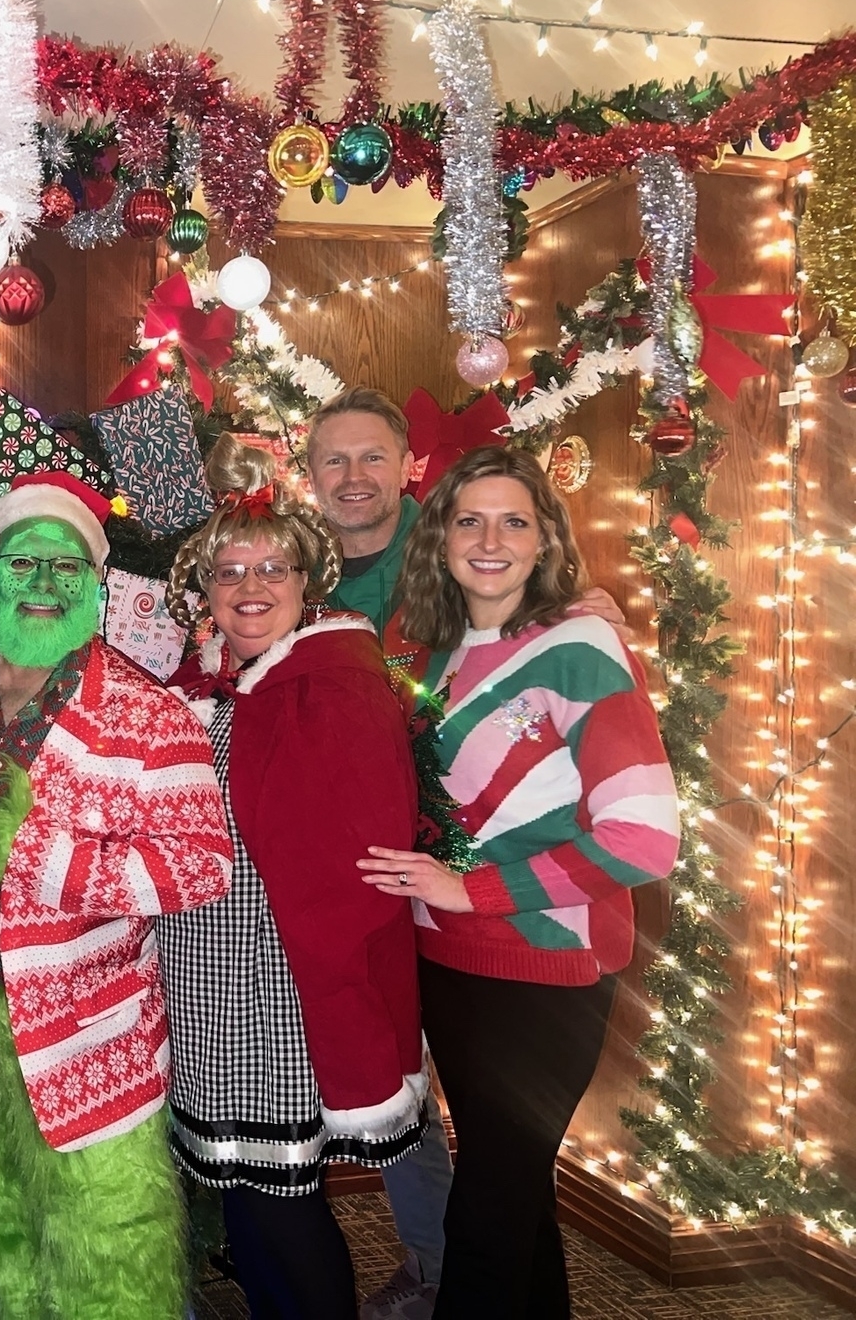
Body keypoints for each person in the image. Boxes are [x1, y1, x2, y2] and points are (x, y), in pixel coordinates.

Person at [303, 388, 626, 1320]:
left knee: (496, 1177)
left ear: (409, 474)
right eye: (335, 460)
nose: (355, 478)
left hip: (521, 930)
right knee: (497, 1161)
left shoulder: (522, 614)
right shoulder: (303, 576)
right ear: (310, 471)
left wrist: (588, 625)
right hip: (416, 910)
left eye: (375, 459)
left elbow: (634, 823)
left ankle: (436, 1263)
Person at [358, 446, 680, 1318]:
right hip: (447, 964)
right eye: (469, 519)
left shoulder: (582, 649)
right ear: (441, 539)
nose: (489, 538)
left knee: (489, 1212)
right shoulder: (425, 656)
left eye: (514, 521)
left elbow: (645, 839)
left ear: (545, 541)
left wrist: (477, 891)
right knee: (514, 1188)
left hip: (546, 970)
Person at [0, 471, 233, 1320]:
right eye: (24, 564)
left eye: (66, 568)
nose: (44, 586)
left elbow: (203, 866)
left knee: (108, 1247)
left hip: (88, 1037)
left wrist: (44, 856)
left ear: (96, 583)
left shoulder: (146, 712)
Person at [160, 435, 424, 1319]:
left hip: (274, 990)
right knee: (247, 1201)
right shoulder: (224, 689)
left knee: (282, 1206)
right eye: (229, 573)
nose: (250, 588)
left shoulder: (331, 687)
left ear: (310, 582)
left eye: (272, 568)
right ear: (206, 594)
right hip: (207, 985)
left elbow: (347, 869)